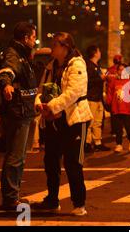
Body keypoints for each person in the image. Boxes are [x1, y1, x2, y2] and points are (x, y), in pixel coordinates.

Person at [35, 32, 93, 216]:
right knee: (50, 160)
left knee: (73, 163)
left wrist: (51, 106)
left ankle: (79, 203)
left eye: (55, 44)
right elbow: (42, 87)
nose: (52, 47)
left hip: (75, 119)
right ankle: (52, 200)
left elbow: (73, 93)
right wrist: (39, 103)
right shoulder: (52, 65)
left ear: (65, 46)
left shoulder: (77, 64)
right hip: (54, 120)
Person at [0, 22, 38, 210]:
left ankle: (13, 195)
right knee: (16, 156)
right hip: (18, 112)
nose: (35, 40)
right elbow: (7, 71)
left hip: (24, 111)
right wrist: (6, 84)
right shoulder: (14, 54)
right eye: (33, 37)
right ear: (25, 38)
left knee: (18, 156)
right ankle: (11, 198)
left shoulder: (22, 54)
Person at [107, 63, 130, 153]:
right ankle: (119, 144)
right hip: (116, 108)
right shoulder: (114, 81)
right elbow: (110, 92)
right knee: (118, 128)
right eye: (120, 70)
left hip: (127, 108)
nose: (122, 72)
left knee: (128, 127)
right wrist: (109, 102)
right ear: (117, 71)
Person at [84, 45, 109, 152]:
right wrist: (100, 79)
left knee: (98, 122)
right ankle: (87, 143)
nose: (100, 53)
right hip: (91, 98)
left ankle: (98, 142)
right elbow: (87, 81)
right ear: (94, 53)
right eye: (99, 51)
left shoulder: (97, 66)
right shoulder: (88, 66)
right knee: (90, 122)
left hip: (98, 98)